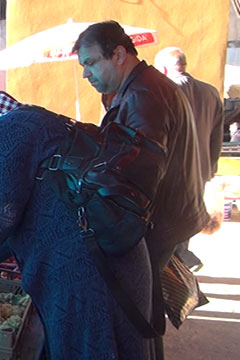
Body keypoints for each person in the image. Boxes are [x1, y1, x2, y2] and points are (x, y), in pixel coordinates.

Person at [0, 105, 155, 359]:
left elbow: (2, 216)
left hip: (87, 274)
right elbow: (13, 229)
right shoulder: (35, 124)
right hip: (110, 261)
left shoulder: (6, 128)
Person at [72, 21, 209, 358]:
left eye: (90, 63)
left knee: (133, 315)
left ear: (118, 54)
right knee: (144, 310)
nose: (86, 74)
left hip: (157, 222)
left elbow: (135, 176)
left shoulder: (145, 95)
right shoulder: (141, 88)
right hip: (170, 215)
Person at [154, 47, 225, 270]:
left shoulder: (164, 91)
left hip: (172, 173)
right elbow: (217, 137)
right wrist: (209, 170)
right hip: (199, 171)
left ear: (164, 69)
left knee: (168, 228)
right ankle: (182, 264)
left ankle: (183, 263)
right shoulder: (211, 92)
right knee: (184, 225)